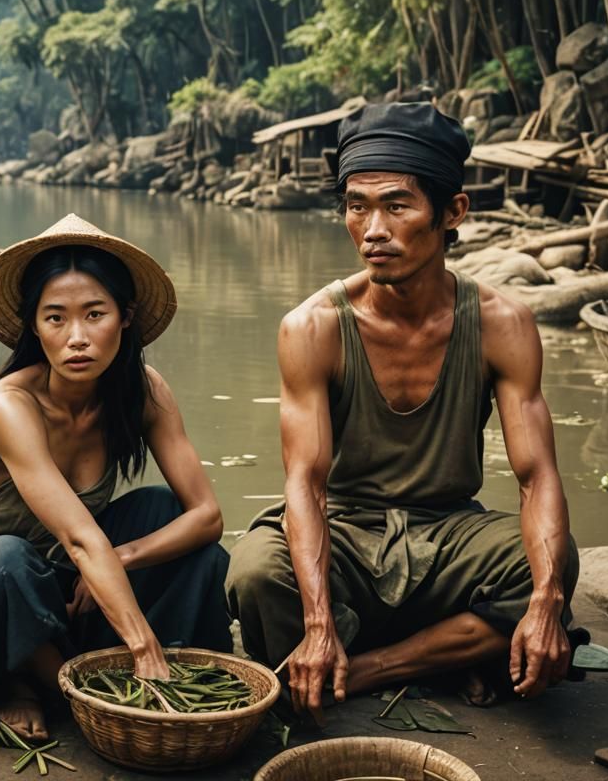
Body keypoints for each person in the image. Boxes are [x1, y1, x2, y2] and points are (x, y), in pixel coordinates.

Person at [227, 102, 580, 718]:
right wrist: (315, 622)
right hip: (347, 533)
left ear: (453, 214)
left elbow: (536, 476)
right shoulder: (312, 328)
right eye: (356, 206)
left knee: (552, 563)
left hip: (449, 532)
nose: (373, 229)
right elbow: (304, 483)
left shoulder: (502, 324)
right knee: (255, 572)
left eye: (397, 205)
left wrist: (548, 602)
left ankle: (363, 667)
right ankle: (447, 650)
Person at [0, 214, 231, 740]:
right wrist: (142, 648)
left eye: (95, 314)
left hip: (57, 581)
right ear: (33, 327)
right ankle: (24, 678)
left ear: (126, 317)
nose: (77, 338)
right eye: (55, 319)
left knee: (165, 512)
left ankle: (105, 663)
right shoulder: (9, 407)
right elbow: (77, 536)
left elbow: (207, 517)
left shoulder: (144, 391)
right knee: (7, 558)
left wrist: (122, 556)